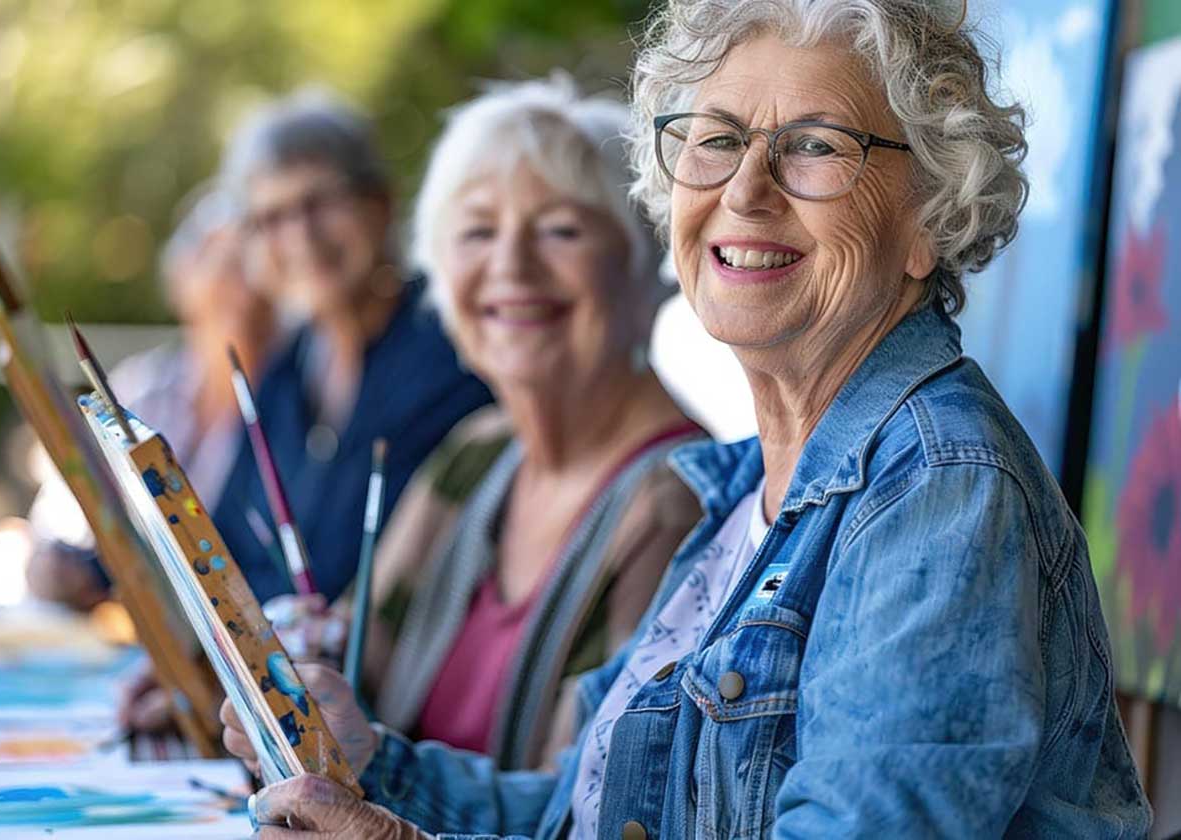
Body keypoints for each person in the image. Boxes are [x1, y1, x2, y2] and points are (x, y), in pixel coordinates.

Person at [222, 1, 1153, 837]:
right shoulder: (746, 489)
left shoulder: (937, 489)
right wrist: (369, 764)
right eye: (715, 140)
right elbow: (571, 812)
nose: (745, 191)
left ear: (929, 219)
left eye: (817, 145)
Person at [264, 77, 705, 771]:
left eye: (561, 229)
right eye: (476, 231)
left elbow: (583, 794)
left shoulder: (682, 496)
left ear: (644, 261)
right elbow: (352, 649)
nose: (510, 266)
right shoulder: (478, 452)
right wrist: (244, 682)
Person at [210, 89, 493, 603]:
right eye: (270, 219)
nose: (301, 235)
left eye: (320, 202)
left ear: (381, 205)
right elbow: (223, 535)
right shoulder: (286, 368)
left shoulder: (455, 348)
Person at [26, 188, 277, 611]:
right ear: (181, 280)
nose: (239, 280)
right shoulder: (144, 387)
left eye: (250, 260)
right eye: (219, 257)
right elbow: (60, 518)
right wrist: (58, 565)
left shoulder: (290, 405)